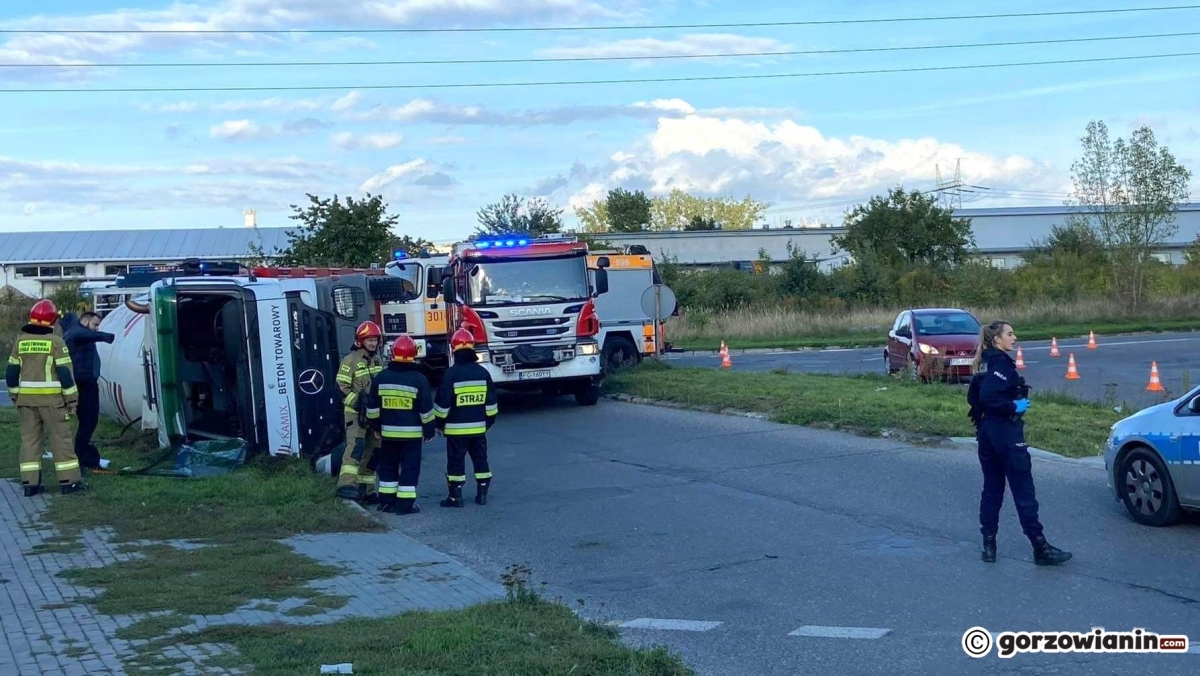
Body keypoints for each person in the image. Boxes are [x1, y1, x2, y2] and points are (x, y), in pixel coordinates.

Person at [967, 320, 1071, 566]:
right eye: (1010, 334)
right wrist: (1013, 405)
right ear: (997, 340)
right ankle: (1040, 547)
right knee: (1023, 490)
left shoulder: (984, 363)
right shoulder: (1000, 363)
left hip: (987, 433)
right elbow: (988, 396)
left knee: (992, 490)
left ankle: (989, 546)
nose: (1015, 338)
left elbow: (973, 397)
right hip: (1006, 433)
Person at [6, 299, 86, 496]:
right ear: (52, 321)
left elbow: (11, 372)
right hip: (52, 403)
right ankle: (70, 483)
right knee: (61, 440)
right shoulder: (56, 343)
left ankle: (30, 485)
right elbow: (65, 375)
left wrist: (15, 394)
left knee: (30, 441)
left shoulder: (20, 341)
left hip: (26, 402)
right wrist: (72, 400)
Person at [364, 334, 435, 515]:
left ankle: (387, 502)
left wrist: (376, 427)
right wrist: (429, 430)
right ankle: (405, 505)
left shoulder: (381, 377)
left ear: (392, 354)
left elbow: (372, 408)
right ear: (413, 355)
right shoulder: (419, 379)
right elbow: (425, 410)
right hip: (411, 436)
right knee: (410, 468)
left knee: (388, 466)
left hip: (388, 434)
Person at [433, 328, 498, 507]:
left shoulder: (451, 374)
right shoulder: (482, 373)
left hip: (455, 430)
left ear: (454, 349)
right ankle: (482, 495)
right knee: (480, 459)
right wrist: (488, 422)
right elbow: (491, 404)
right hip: (479, 429)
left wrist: (438, 423)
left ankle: (456, 498)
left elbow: (442, 405)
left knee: (455, 462)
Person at [334, 321, 385, 502]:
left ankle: (367, 490)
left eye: (375, 340)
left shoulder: (378, 360)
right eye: (369, 340)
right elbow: (340, 388)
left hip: (375, 414)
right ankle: (346, 485)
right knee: (356, 448)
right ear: (360, 341)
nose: (372, 344)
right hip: (356, 415)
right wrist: (357, 403)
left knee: (374, 452)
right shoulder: (350, 361)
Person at [60, 311, 115, 472]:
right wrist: (105, 336)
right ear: (85, 322)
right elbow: (79, 334)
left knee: (88, 422)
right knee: (88, 421)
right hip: (83, 385)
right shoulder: (76, 333)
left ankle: (81, 456)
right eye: (95, 325)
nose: (96, 329)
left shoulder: (79, 333)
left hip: (87, 383)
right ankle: (80, 457)